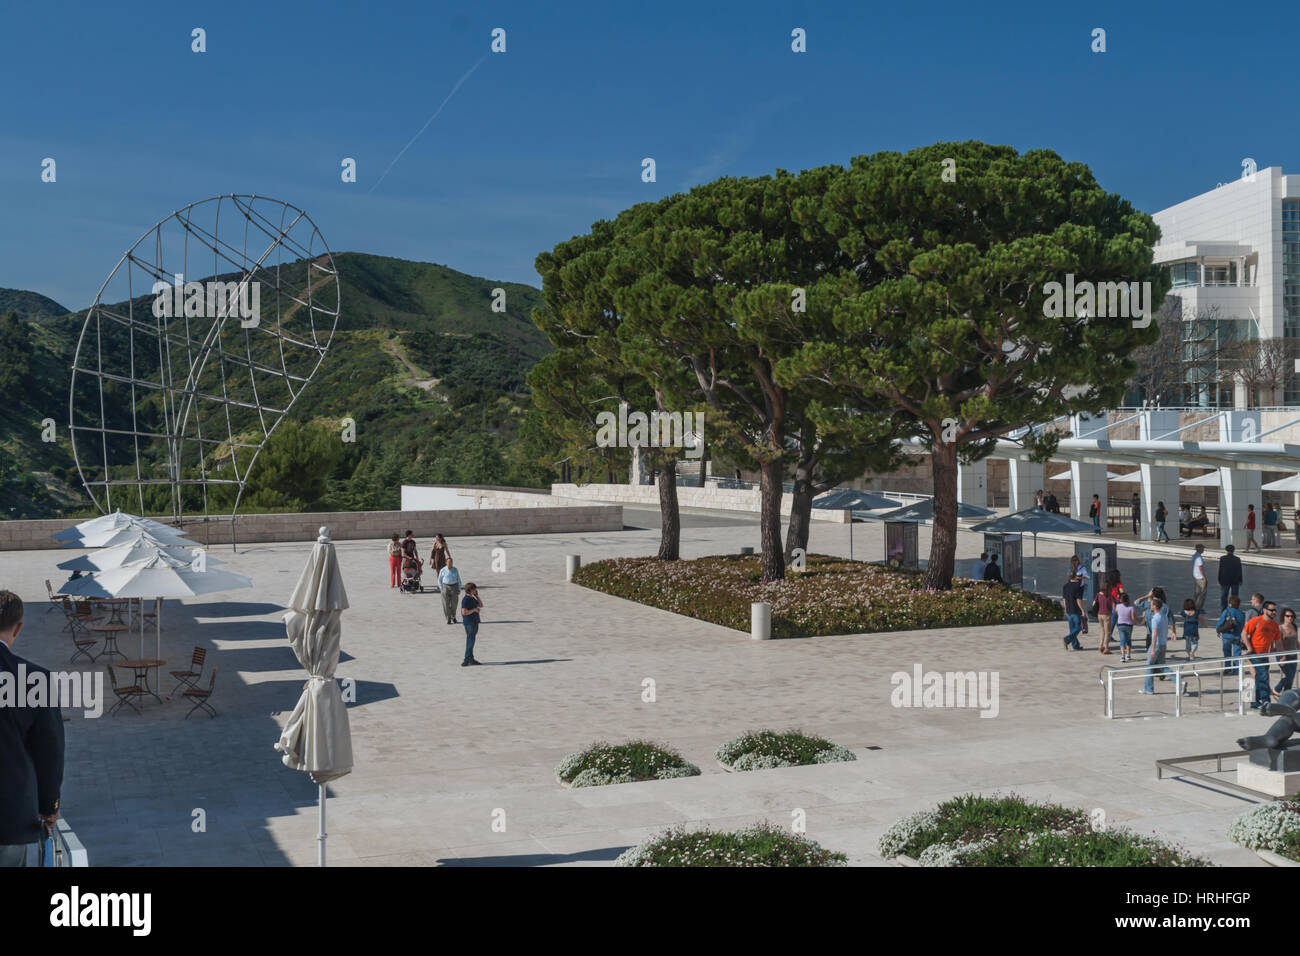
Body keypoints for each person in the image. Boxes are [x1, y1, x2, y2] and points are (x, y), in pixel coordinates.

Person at [0, 591, 64, 867]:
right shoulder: (33, 680)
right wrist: (49, 806)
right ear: (18, 627)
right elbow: (49, 749)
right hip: (11, 816)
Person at [1241, 601, 1281, 709]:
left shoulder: (1274, 625)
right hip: (1254, 653)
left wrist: (1279, 652)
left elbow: (1277, 640)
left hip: (1264, 654)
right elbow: (1244, 633)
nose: (1274, 612)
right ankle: (1265, 701)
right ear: (1264, 610)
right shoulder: (1256, 621)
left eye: (1275, 610)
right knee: (1263, 676)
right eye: (1271, 610)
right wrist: (1249, 647)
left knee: (1260, 677)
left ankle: (1254, 702)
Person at [1139, 597, 1173, 694]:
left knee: (1149, 666)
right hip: (1163, 644)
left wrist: (1153, 649)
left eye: (1151, 604)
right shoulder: (1164, 616)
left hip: (1157, 645)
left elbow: (1154, 635)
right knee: (1163, 667)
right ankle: (1180, 682)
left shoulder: (1155, 618)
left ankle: (1148, 689)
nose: (1150, 605)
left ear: (1155, 606)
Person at [1216, 595, 1246, 675]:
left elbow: (1220, 622)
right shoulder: (1242, 613)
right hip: (1237, 636)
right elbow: (1243, 625)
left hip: (1226, 635)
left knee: (1227, 652)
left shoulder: (1227, 611)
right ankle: (1236, 670)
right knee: (1237, 652)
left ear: (1230, 603)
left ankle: (1228, 667)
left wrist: (1218, 630)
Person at [1274, 607, 1297, 698]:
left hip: (1293, 655)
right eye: (1287, 616)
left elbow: (1296, 641)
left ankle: (1286, 696)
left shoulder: (1294, 626)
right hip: (1283, 655)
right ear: (1283, 617)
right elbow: (1278, 643)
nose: (1290, 618)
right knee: (1289, 676)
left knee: (1291, 678)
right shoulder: (1280, 628)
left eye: (1292, 616)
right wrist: (1282, 656)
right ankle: (1276, 689)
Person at [460, 583, 482, 667]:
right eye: (475, 589)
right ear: (471, 590)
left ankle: (471, 659)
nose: (476, 590)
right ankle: (466, 660)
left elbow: (480, 605)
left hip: (474, 622)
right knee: (470, 641)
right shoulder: (466, 599)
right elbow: (464, 612)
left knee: (471, 641)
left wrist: (477, 596)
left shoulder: (471, 598)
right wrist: (474, 610)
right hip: (470, 623)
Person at [1062, 573, 1085, 651]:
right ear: (1076, 577)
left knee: (1072, 629)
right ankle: (1067, 639)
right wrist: (1082, 610)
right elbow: (1078, 600)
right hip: (1075, 610)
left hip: (1069, 610)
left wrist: (1066, 609)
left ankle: (1075, 645)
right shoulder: (1078, 586)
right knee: (1079, 627)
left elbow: (1064, 599)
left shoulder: (1065, 586)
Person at [1217, 544, 1243, 611]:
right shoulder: (1237, 559)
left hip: (1225, 580)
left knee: (1224, 595)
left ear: (1226, 550)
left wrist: (1219, 579)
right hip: (1235, 580)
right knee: (1234, 596)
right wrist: (1240, 580)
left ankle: (1223, 609)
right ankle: (1234, 608)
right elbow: (1239, 570)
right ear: (1234, 550)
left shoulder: (1222, 558)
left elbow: (1220, 569)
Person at [438, 557, 462, 625]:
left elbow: (458, 579)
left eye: (451, 562)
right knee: (446, 604)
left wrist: (459, 588)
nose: (450, 563)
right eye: (448, 562)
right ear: (446, 563)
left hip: (454, 586)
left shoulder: (455, 570)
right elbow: (439, 580)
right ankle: (448, 618)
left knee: (454, 603)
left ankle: (453, 616)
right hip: (445, 587)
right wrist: (441, 588)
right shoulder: (442, 570)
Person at [1114, 592, 1135, 663]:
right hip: (1129, 625)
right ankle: (1128, 655)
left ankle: (1123, 656)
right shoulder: (1131, 607)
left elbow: (1117, 613)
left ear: (1120, 600)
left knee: (1122, 640)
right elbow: (1133, 617)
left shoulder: (1118, 606)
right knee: (1128, 640)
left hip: (1120, 625)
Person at [1095, 584, 1114, 655]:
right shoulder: (1110, 596)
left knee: (1102, 630)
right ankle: (1106, 648)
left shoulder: (1098, 595)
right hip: (1107, 615)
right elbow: (1114, 606)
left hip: (1099, 614)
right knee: (1107, 632)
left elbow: (1094, 603)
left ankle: (1100, 646)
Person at [1191, 543, 1207, 613]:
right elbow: (1200, 567)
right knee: (1202, 594)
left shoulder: (1194, 555)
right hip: (1200, 578)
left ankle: (1195, 606)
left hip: (1196, 577)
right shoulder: (1199, 557)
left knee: (1197, 593)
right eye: (1202, 548)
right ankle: (1199, 608)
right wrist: (1204, 577)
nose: (1203, 549)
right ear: (1199, 549)